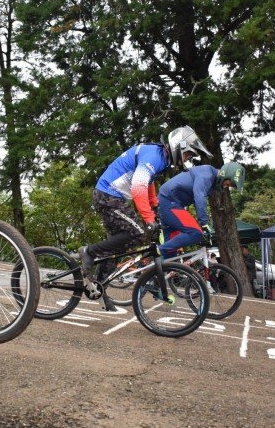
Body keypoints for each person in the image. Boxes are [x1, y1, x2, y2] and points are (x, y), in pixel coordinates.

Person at [76, 126, 214, 311]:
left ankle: (98, 289)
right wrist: (149, 218)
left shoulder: (161, 158)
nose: (188, 158)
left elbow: (148, 183)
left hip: (113, 197)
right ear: (178, 147)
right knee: (139, 233)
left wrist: (154, 204)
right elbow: (139, 186)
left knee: (118, 246)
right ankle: (89, 251)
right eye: (188, 154)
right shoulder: (154, 157)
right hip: (108, 195)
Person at [158, 162, 245, 259]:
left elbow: (197, 200)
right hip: (169, 201)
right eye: (229, 183)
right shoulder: (207, 174)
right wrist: (204, 223)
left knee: (170, 254)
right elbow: (199, 197)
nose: (227, 186)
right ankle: (158, 249)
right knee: (196, 233)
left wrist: (202, 222)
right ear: (226, 174)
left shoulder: (209, 179)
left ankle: (160, 271)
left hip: (168, 202)